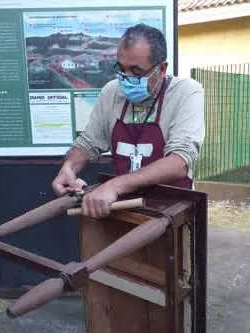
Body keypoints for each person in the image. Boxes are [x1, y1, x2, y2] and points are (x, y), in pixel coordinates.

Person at [52, 24, 205, 218]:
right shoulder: (111, 92)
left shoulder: (186, 93)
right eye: (122, 69)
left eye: (136, 72)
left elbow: (179, 161)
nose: (126, 79)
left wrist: (115, 185)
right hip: (123, 209)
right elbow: (88, 143)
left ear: (161, 69)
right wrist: (69, 168)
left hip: (173, 212)